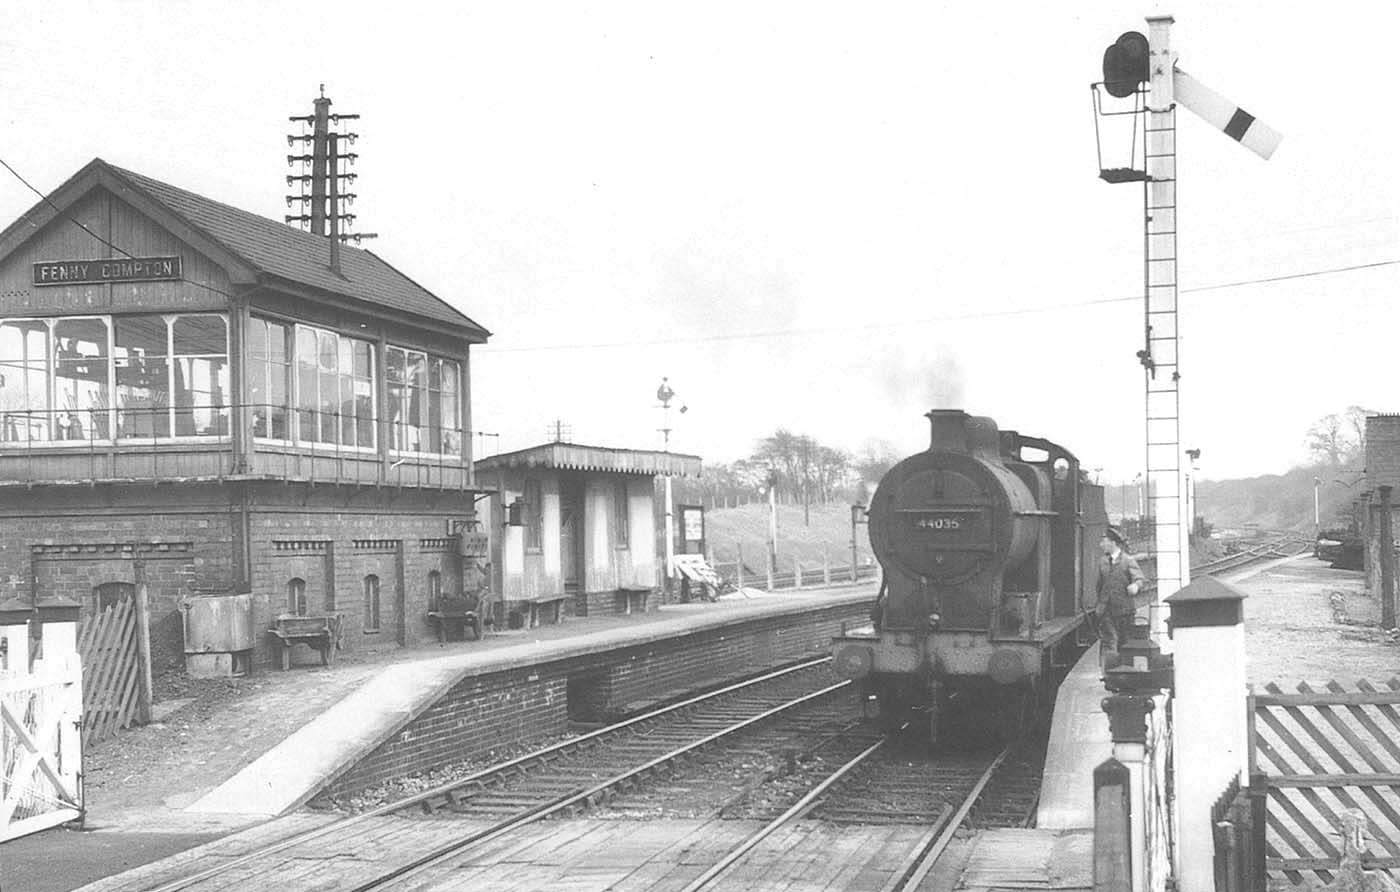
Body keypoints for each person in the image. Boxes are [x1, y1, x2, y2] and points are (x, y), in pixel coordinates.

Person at [1090, 526, 1146, 657]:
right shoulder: (1102, 562)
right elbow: (1099, 586)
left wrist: (1136, 586)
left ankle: (1124, 673)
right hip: (1106, 612)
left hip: (1124, 612)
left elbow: (1140, 579)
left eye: (1104, 541)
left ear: (1113, 543)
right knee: (1109, 642)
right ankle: (1107, 672)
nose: (1101, 545)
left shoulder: (1128, 560)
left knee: (1125, 644)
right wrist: (1100, 605)